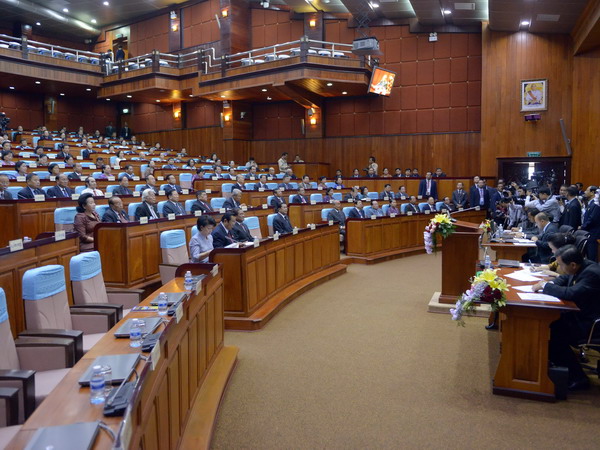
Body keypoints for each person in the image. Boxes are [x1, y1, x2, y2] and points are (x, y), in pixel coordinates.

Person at [532, 245, 600, 390]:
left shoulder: (592, 273)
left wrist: (545, 286)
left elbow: (571, 293)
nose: (560, 268)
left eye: (561, 265)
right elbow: (564, 278)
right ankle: (557, 365)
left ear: (573, 264)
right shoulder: (581, 266)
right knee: (549, 325)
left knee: (553, 333)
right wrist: (550, 284)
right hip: (579, 314)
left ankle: (578, 378)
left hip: (590, 322)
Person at [581, 185, 600, 261]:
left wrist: (583, 227)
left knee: (592, 256)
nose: (585, 192)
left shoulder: (596, 205)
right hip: (589, 231)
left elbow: (593, 219)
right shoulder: (591, 203)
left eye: (587, 190)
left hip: (593, 232)